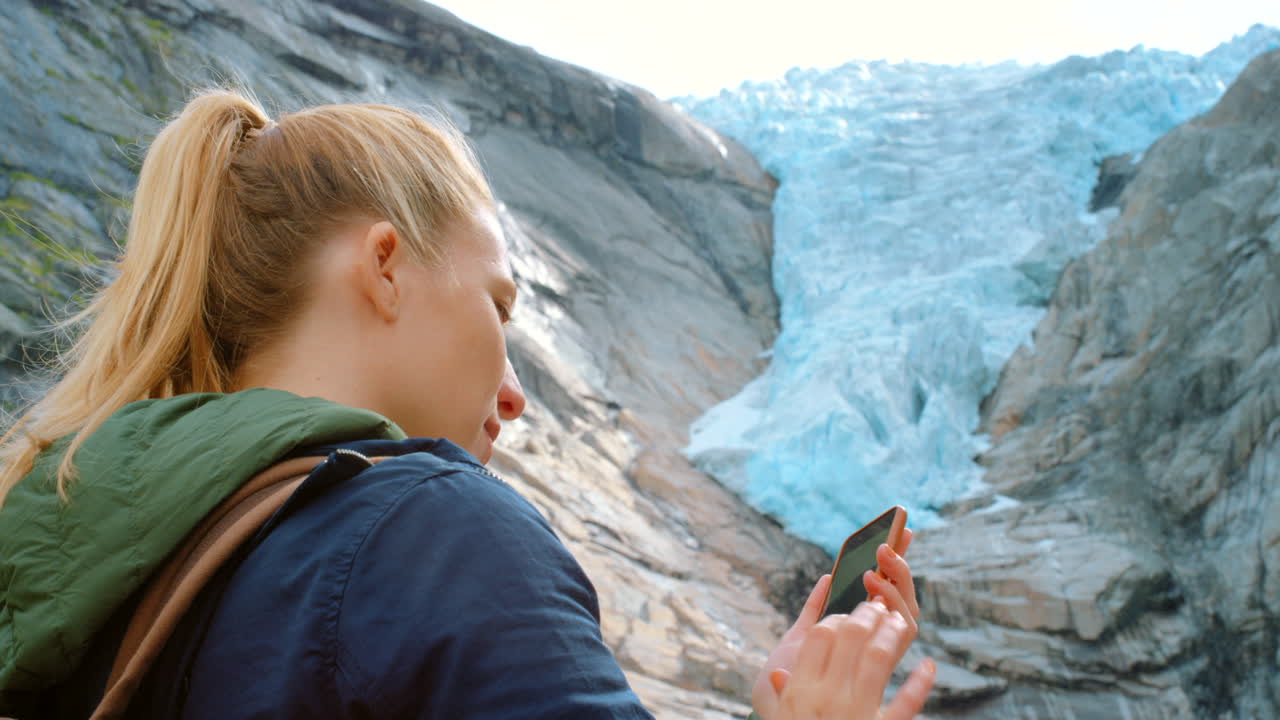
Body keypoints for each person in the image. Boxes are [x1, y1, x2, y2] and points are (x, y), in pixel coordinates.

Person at [0, 88, 934, 719]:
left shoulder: (87, 556)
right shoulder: (434, 532)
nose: (517, 395)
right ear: (384, 267)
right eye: (498, 307)